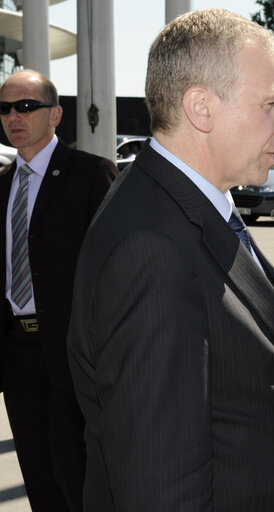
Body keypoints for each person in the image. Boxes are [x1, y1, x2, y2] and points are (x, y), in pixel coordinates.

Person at [66, 9, 274, 511]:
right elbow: (161, 486)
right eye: (271, 104)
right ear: (201, 107)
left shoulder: (179, 204)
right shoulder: (151, 247)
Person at [0, 70, 117, 511]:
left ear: (56, 114)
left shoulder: (89, 174)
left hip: (73, 358)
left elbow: (114, 270)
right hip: (17, 358)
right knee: (40, 483)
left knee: (80, 481)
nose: (14, 116)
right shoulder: (3, 186)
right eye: (5, 108)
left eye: (26, 106)